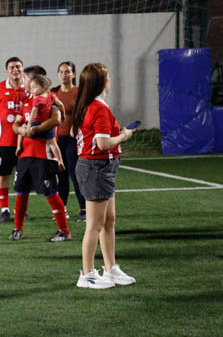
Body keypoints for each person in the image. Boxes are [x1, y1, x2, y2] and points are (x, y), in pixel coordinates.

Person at [71, 63, 135, 289]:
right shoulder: (97, 107)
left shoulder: (88, 104)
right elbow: (102, 143)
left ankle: (110, 268)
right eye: (107, 77)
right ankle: (87, 274)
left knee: (109, 220)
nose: (110, 80)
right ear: (102, 82)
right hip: (96, 167)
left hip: (99, 168)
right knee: (95, 224)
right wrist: (124, 135)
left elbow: (77, 133)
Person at [10, 70, 71, 243]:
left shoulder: (48, 100)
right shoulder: (26, 102)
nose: (26, 83)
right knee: (21, 192)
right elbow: (16, 124)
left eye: (28, 79)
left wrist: (35, 129)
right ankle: (18, 229)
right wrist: (20, 129)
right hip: (25, 156)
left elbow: (57, 120)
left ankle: (64, 231)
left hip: (44, 155)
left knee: (50, 193)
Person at [0, 57, 28, 222]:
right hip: (4, 142)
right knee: (3, 176)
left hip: (26, 142)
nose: (15, 70)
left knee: (23, 177)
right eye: (12, 67)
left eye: (18, 66)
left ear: (23, 69)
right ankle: (5, 210)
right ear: (7, 71)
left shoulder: (29, 87)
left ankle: (21, 209)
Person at [52, 61, 86, 222]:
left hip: (73, 139)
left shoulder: (79, 92)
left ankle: (84, 209)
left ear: (73, 74)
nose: (64, 74)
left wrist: (76, 126)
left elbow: (85, 113)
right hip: (57, 140)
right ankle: (62, 209)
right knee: (60, 175)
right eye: (61, 71)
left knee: (75, 174)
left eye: (67, 72)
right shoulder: (53, 93)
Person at [20, 73, 64, 168]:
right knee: (53, 144)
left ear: (43, 87)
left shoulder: (37, 99)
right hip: (47, 126)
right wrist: (63, 114)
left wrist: (29, 125)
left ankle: (19, 146)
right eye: (31, 88)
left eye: (34, 88)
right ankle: (60, 160)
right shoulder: (51, 96)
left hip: (36, 123)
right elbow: (60, 105)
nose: (32, 90)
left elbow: (33, 113)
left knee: (23, 127)